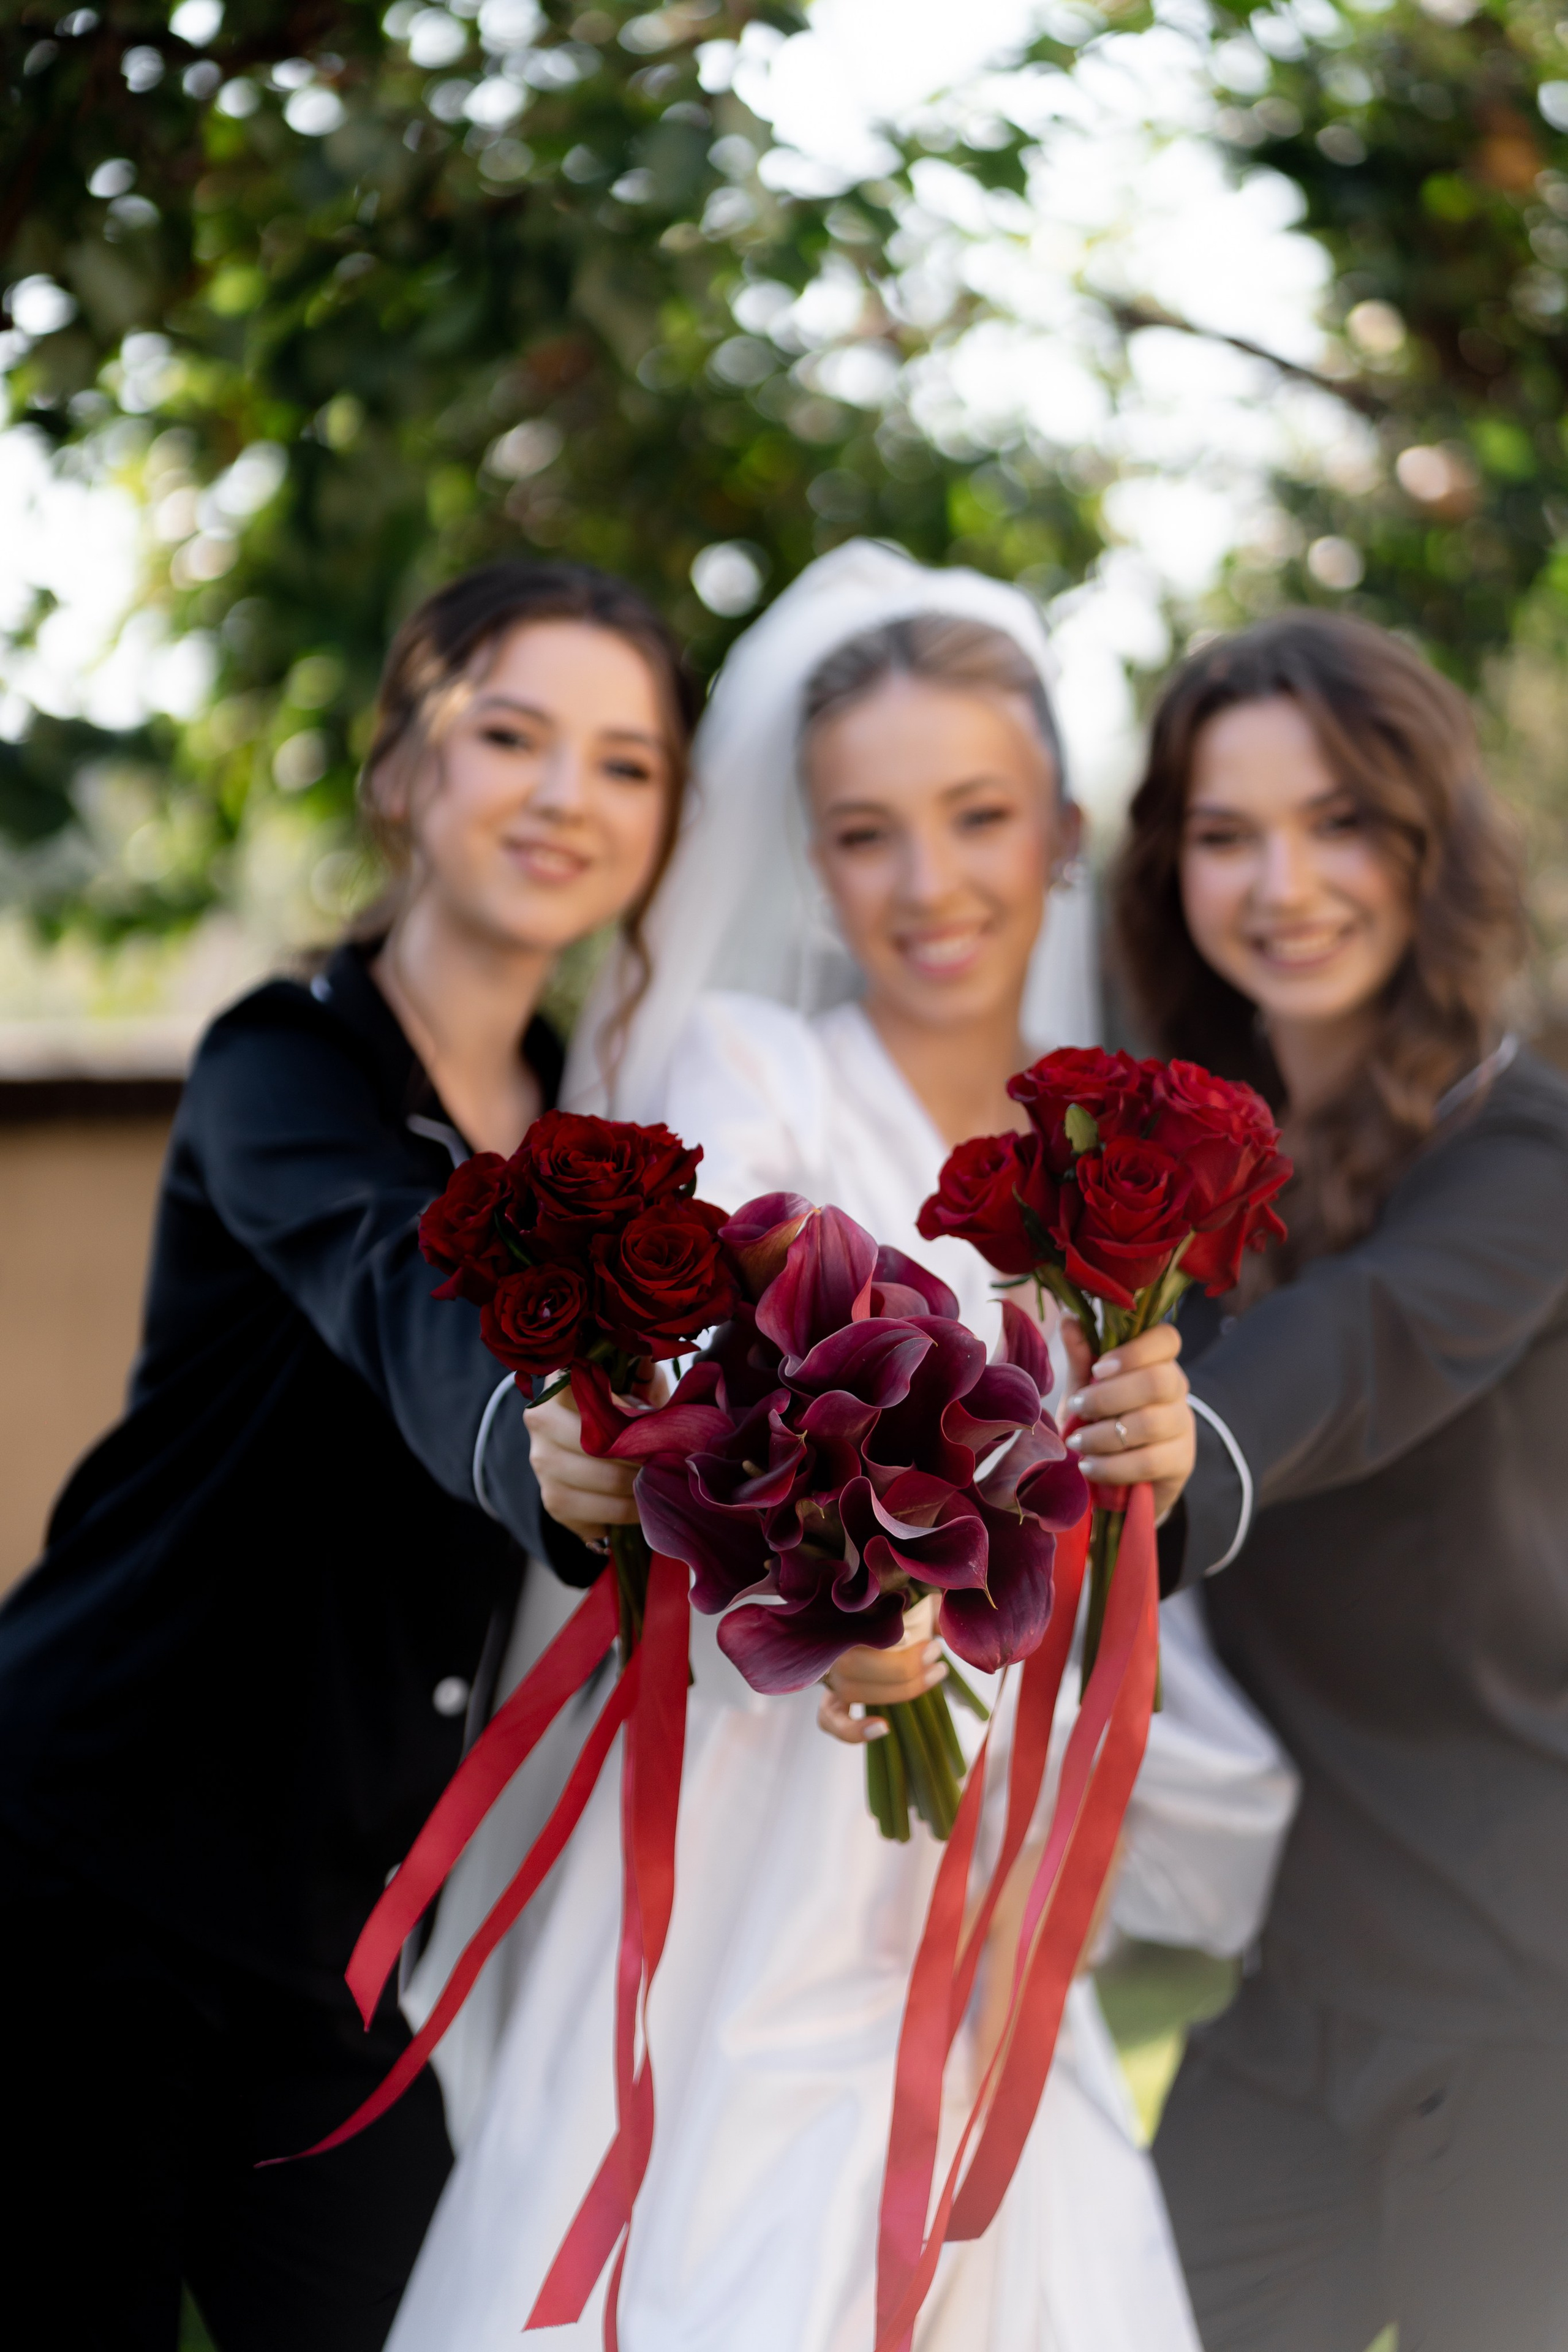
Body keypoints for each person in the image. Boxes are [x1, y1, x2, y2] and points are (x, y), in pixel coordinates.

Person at [388, 542, 1297, 2352]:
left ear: (1061, 831)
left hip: (986, 1842)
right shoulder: (754, 1068)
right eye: (866, 833)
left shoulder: (1103, 1161)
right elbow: (708, 1407)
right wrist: (861, 1600)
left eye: (978, 816)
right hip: (761, 1848)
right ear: (810, 857)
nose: (928, 883)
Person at [0, 559, 696, 2352]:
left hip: (343, 1949)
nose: (566, 795)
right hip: (85, 1876)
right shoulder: (282, 1064)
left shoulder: (606, 1128)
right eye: (514, 735)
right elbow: (396, 1277)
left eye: (626, 762)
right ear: (403, 767)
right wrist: (533, 1442)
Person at [1110, 610, 1568, 2351]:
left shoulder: (1524, 1154)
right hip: (1300, 1973)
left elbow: (1361, 1345)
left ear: (1429, 846)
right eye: (1227, 834)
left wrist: (1182, 1439)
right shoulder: (1178, 1163)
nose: (1282, 885)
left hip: (1529, 1984)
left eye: (1340, 824)